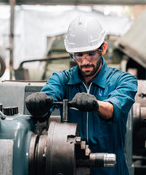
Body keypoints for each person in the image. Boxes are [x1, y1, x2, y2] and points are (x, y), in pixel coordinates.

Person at [25, 15, 138, 175]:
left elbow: (114, 109)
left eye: (91, 54)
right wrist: (39, 106)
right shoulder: (62, 79)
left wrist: (96, 105)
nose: (84, 61)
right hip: (70, 165)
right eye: (78, 55)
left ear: (103, 48)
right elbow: (48, 100)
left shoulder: (124, 80)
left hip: (111, 167)